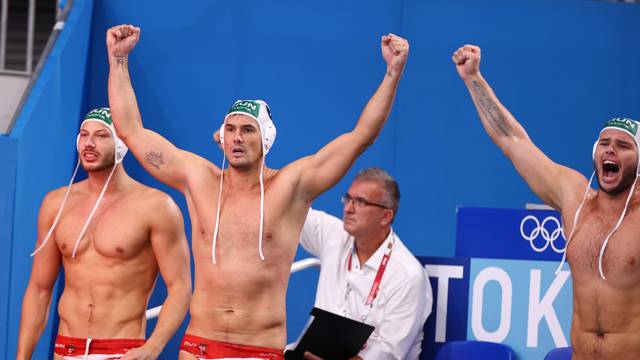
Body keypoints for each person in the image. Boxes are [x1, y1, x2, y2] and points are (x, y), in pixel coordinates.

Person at [106, 23, 409, 359]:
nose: (238, 138)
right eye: (231, 129)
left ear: (266, 139)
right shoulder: (198, 179)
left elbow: (361, 136)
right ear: (220, 137)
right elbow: (130, 130)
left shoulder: (291, 186)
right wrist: (118, 59)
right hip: (198, 345)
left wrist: (392, 73)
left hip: (258, 349)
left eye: (248, 130)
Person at [453, 44, 640, 359]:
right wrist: (474, 79)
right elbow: (511, 140)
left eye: (623, 146)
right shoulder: (576, 201)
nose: (610, 150)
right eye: (604, 143)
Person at [16, 108, 192, 359]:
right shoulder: (56, 203)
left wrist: (152, 348)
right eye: (84, 135)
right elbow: (39, 289)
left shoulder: (156, 207)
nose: (89, 143)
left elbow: (181, 288)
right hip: (66, 350)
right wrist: (22, 356)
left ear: (122, 144)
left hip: (122, 351)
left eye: (101, 136)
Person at [299, 167, 432, 360]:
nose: (348, 208)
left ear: (386, 216)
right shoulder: (334, 236)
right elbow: (291, 210)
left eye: (360, 202)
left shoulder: (408, 275)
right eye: (348, 199)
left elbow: (388, 354)